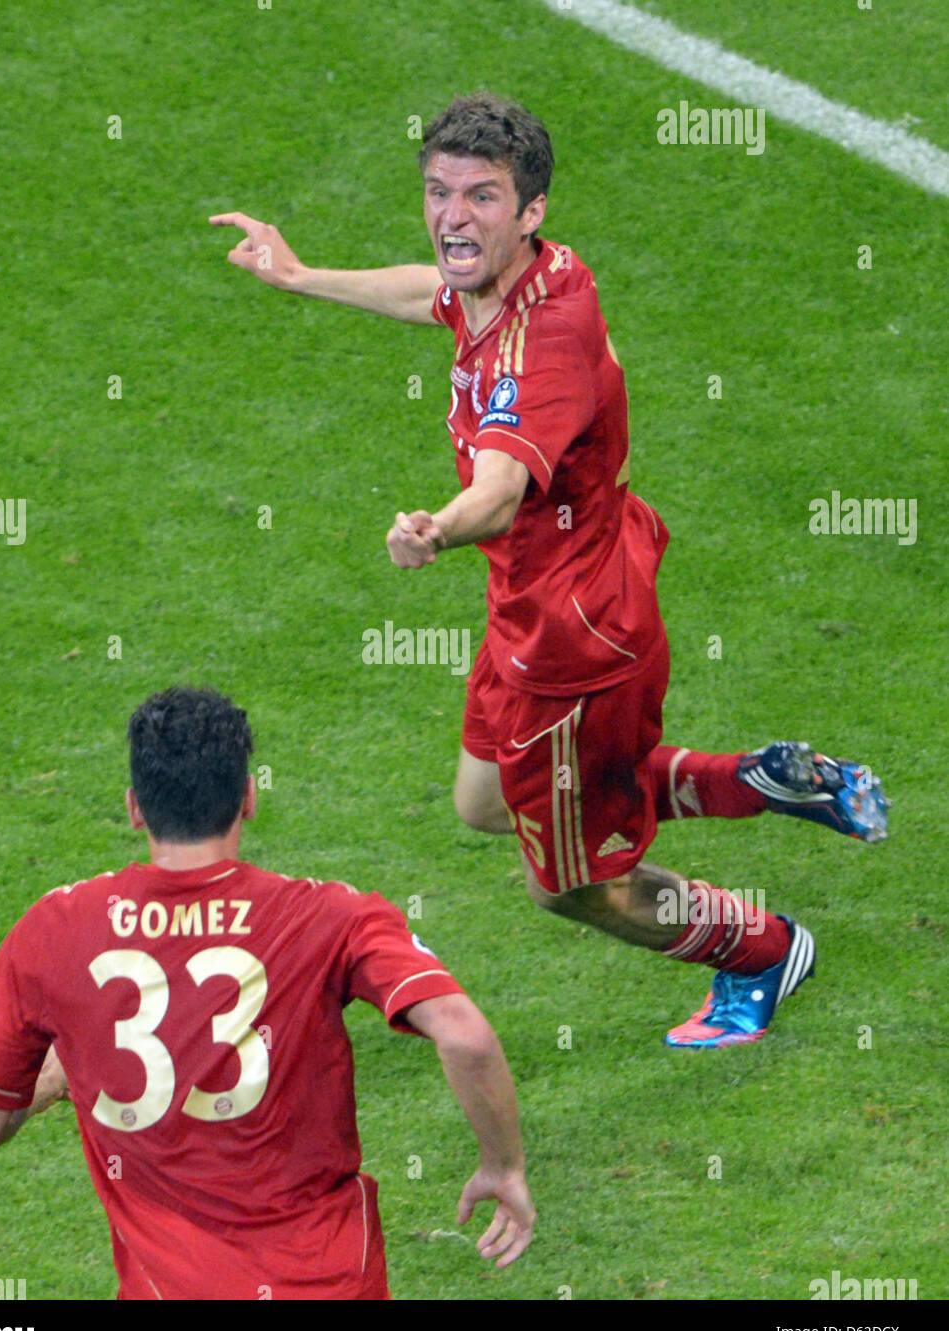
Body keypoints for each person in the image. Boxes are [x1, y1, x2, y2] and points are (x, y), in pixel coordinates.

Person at [210, 91, 889, 1049]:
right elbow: (432, 296)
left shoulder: (543, 348)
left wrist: (435, 531)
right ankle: (759, 782)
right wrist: (300, 275)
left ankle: (765, 950)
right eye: (439, 191)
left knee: (573, 885)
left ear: (531, 211)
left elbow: (498, 488)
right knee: (482, 802)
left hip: (574, 643)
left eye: (482, 197)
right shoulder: (521, 278)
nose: (453, 216)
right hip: (538, 599)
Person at [0, 686, 535, 1299]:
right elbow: (464, 1034)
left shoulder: (54, 928)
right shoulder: (331, 916)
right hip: (330, 1283)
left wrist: (66, 1070)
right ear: (249, 798)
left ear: (134, 809)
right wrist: (503, 1166)